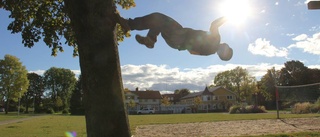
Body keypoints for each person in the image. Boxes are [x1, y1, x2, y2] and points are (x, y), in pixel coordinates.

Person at [124, 12, 233, 61]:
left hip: (181, 36)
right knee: (159, 23)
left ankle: (130, 25)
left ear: (224, 50)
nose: (226, 44)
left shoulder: (216, 40)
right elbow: (192, 52)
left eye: (227, 47)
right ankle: (150, 38)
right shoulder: (209, 52)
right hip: (176, 44)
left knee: (159, 18)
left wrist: (228, 16)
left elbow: (214, 24)